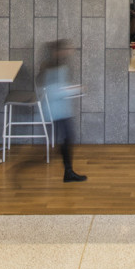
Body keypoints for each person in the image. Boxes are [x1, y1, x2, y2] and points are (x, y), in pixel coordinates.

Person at [39, 40, 86, 182]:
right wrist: (78, 89)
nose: (69, 51)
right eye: (66, 49)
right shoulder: (54, 69)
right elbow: (55, 91)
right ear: (58, 52)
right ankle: (68, 172)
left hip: (61, 109)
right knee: (67, 137)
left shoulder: (57, 67)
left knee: (67, 138)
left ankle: (68, 171)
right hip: (56, 110)